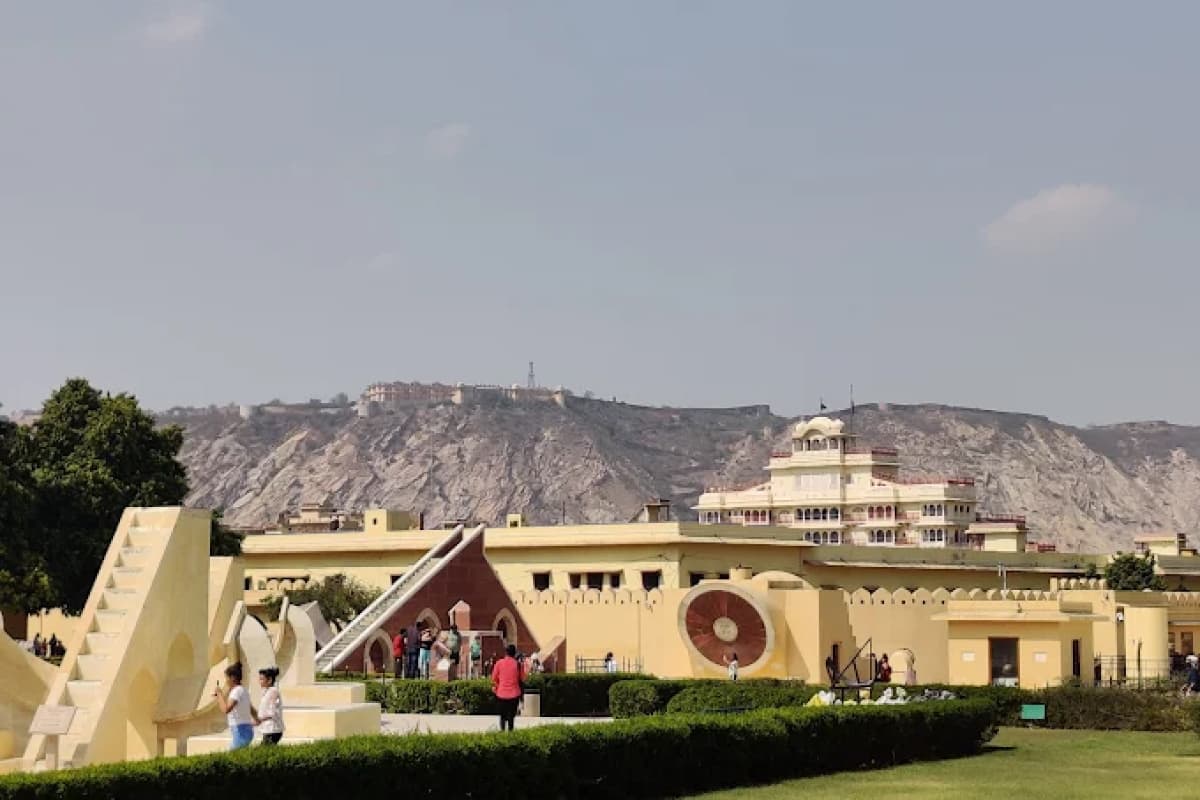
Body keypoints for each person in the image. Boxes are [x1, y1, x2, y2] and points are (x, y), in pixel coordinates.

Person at [214, 662, 254, 750]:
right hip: (245, 729)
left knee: (234, 758)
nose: (226, 681)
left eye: (227, 678)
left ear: (232, 678)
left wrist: (219, 695)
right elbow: (250, 708)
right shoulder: (243, 690)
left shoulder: (236, 692)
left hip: (240, 731)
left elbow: (226, 709)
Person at [491, 644, 523, 731]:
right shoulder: (518, 665)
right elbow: (522, 678)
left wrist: (497, 686)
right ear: (515, 653)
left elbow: (494, 678)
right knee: (511, 717)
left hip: (501, 694)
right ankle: (510, 735)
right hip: (514, 694)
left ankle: (502, 733)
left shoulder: (499, 663)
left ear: (506, 652)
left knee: (502, 716)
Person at [253, 666, 285, 745]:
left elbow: (272, 713)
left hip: (272, 730)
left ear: (269, 680)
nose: (259, 681)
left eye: (262, 679)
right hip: (268, 730)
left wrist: (259, 720)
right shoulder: (268, 691)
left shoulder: (273, 692)